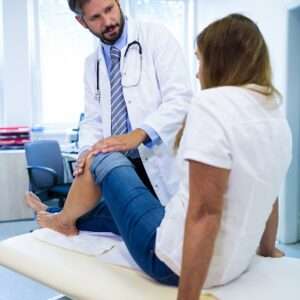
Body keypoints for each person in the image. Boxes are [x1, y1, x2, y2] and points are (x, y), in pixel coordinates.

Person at [26, 14, 292, 300]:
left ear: (219, 61)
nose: (198, 72)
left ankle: (62, 218)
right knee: (120, 214)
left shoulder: (212, 105)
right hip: (235, 264)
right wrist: (267, 251)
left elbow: (205, 213)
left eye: (200, 60)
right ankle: (58, 216)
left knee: (104, 155)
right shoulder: (273, 114)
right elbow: (269, 191)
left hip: (170, 262)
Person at [68, 0, 193, 206]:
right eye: (95, 17)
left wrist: (139, 134)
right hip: (120, 169)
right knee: (121, 231)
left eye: (109, 9)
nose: (108, 21)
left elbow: (181, 99)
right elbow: (93, 119)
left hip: (160, 162)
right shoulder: (92, 64)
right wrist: (86, 153)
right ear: (82, 22)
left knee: (162, 227)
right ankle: (56, 214)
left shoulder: (156, 37)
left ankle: (55, 213)